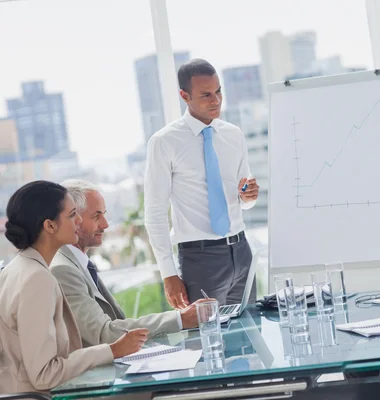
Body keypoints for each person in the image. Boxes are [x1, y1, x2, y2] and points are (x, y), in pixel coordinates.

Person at [0, 181, 148, 394]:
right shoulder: (37, 278)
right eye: (71, 215)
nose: (79, 220)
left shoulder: (17, 267)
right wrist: (111, 350)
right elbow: (44, 374)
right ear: (49, 226)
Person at [145, 58, 259, 309]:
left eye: (218, 92)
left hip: (241, 252)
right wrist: (168, 272)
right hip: (200, 259)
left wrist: (248, 197)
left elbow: (244, 200)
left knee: (252, 338)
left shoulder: (233, 135)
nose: (216, 101)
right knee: (206, 342)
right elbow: (154, 212)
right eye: (206, 94)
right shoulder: (164, 142)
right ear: (184, 96)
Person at [50, 180, 213, 347]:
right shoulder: (63, 270)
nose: (105, 224)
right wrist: (180, 319)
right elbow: (104, 333)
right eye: (96, 216)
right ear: (72, 219)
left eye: (104, 214)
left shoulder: (77, 262)